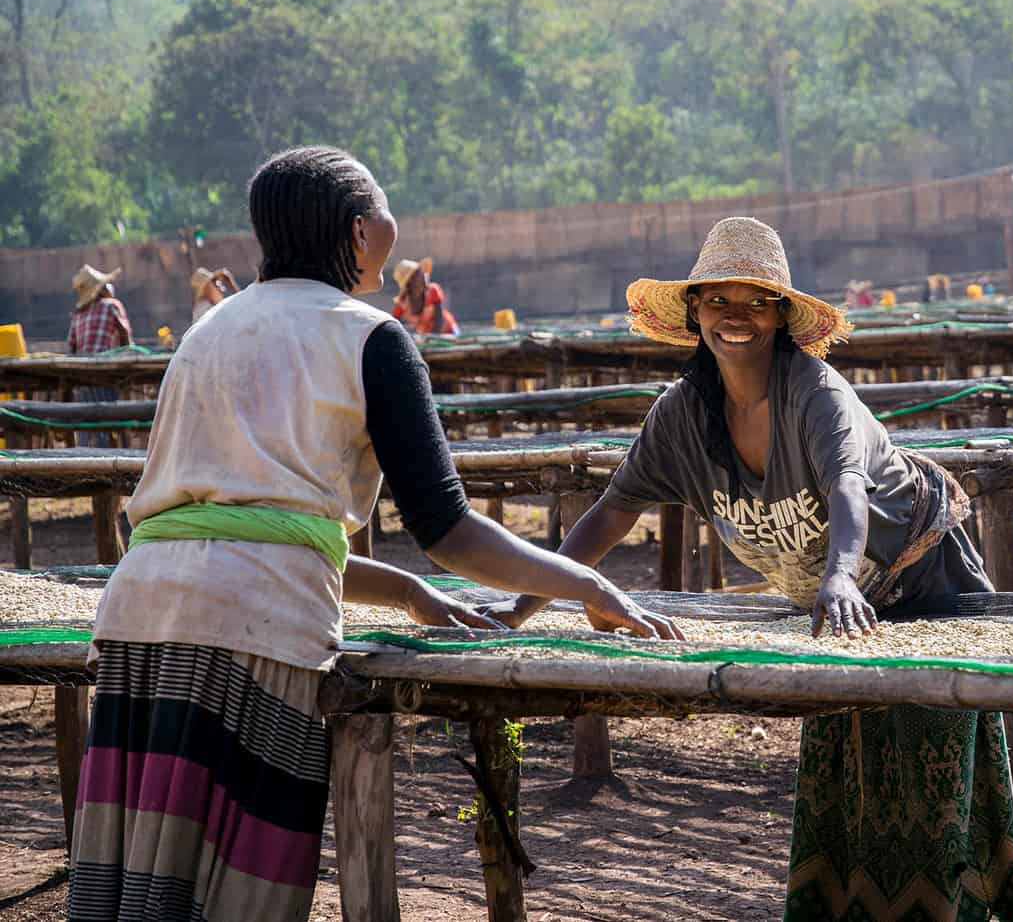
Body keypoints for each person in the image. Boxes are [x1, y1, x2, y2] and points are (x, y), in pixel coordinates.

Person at [69, 147, 681, 922]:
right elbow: (449, 531)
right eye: (386, 210)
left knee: (135, 888)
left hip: (138, 622)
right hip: (253, 638)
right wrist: (588, 582)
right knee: (234, 894)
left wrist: (405, 593)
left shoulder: (207, 332)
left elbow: (234, 523)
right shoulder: (368, 337)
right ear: (363, 232)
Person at [492, 217, 1013, 922]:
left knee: (929, 773)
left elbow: (847, 487)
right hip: (835, 604)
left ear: (782, 317)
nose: (735, 317)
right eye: (718, 301)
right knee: (842, 763)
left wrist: (840, 574)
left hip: (922, 576)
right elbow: (610, 514)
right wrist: (519, 608)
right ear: (694, 314)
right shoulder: (681, 416)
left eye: (756, 302)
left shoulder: (817, 394)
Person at [67, 264, 133, 449]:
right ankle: (106, 457)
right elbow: (125, 335)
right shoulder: (112, 305)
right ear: (101, 289)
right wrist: (128, 356)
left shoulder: (78, 314)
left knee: (87, 422)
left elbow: (71, 347)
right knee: (107, 417)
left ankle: (84, 456)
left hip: (82, 376)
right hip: (104, 373)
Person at [392, 255, 459, 336]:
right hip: (425, 339)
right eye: (418, 274)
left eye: (421, 272)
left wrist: (434, 340)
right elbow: (394, 325)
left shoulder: (433, 290)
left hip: (448, 332)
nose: (423, 275)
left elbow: (439, 320)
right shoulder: (402, 303)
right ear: (409, 282)